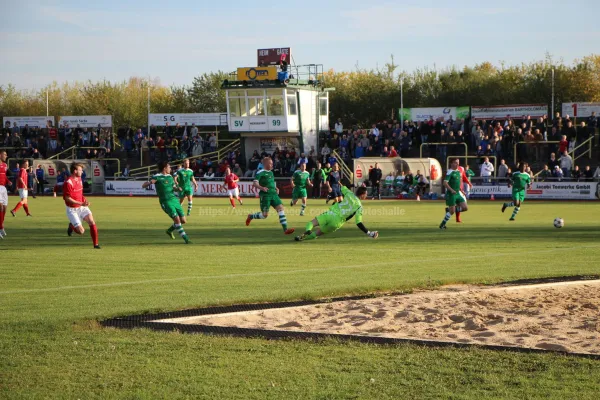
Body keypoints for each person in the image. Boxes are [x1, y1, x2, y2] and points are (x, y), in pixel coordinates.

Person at [295, 186, 378, 241]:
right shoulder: (359, 206)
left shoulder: (349, 193)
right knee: (318, 233)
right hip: (337, 222)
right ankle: (302, 238)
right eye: (366, 194)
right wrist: (369, 233)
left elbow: (341, 187)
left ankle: (308, 230)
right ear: (362, 194)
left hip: (331, 213)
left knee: (312, 223)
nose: (366, 196)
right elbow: (359, 223)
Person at [142, 161, 191, 244]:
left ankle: (169, 230)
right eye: (169, 167)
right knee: (177, 219)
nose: (170, 169)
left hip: (174, 200)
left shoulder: (170, 177)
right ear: (164, 168)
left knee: (183, 221)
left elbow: (174, 187)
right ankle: (186, 239)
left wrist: (177, 188)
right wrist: (150, 182)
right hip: (166, 201)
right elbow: (143, 186)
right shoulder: (157, 177)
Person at [245, 157, 294, 235]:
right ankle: (251, 216)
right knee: (265, 215)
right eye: (271, 163)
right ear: (266, 164)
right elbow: (255, 183)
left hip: (274, 195)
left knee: (281, 209)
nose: (272, 165)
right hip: (265, 196)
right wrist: (261, 188)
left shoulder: (271, 172)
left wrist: (275, 188)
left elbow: (271, 182)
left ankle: (285, 229)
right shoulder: (260, 172)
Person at [64, 163, 100, 248]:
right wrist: (81, 203)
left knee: (91, 221)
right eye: (80, 170)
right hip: (72, 209)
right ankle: (72, 226)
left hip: (82, 207)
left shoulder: (80, 179)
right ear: (75, 171)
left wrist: (84, 200)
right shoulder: (68, 182)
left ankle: (96, 244)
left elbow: (79, 193)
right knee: (81, 231)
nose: (82, 171)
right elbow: (67, 198)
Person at [439, 158, 469, 230]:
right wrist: (451, 190)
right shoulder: (450, 172)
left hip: (458, 193)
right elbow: (445, 183)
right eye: (456, 162)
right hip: (451, 194)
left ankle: (449, 210)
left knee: (465, 208)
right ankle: (442, 224)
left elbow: (458, 183)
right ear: (451, 163)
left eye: (458, 162)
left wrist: (461, 190)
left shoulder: (458, 171)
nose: (457, 164)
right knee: (452, 212)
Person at [0, 151, 9, 238]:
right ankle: (1, 227)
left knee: (5, 208)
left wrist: (8, 181)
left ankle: (1, 226)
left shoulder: (5, 165)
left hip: (3, 188)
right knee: (1, 207)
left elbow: (5, 176)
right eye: (4, 154)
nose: (6, 156)